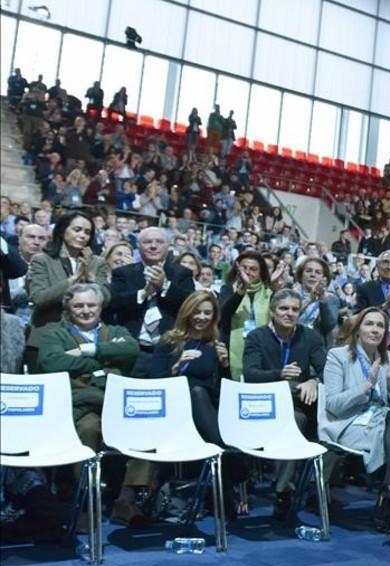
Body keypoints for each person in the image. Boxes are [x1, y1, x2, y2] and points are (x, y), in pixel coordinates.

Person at [37, 283, 148, 524]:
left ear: (100, 307)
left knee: (148, 428)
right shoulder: (54, 333)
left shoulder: (117, 330)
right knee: (89, 429)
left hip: (116, 405)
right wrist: (101, 365)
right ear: (68, 307)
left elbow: (131, 349)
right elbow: (51, 362)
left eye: (91, 305)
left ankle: (125, 500)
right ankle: (84, 501)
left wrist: (87, 351)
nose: (86, 310)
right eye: (78, 305)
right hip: (83, 408)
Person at [143, 290, 249, 512]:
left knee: (200, 393)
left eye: (207, 313)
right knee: (195, 391)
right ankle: (228, 459)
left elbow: (222, 390)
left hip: (208, 408)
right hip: (173, 407)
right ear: (187, 313)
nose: (202, 317)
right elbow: (154, 383)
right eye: (197, 312)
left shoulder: (215, 343)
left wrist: (224, 365)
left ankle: (224, 469)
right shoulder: (170, 341)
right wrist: (176, 367)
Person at [320, 307, 390, 538]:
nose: (375, 329)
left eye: (380, 325)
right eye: (369, 324)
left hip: (382, 421)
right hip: (348, 423)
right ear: (358, 328)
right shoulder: (338, 356)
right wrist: (366, 385)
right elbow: (333, 404)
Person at [242, 289, 327, 518]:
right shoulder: (256, 337)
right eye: (284, 308)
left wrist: (314, 380)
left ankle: (285, 489)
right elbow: (250, 374)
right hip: (263, 404)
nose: (289, 313)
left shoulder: (310, 337)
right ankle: (285, 489)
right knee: (293, 409)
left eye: (295, 309)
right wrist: (279, 375)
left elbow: (327, 371)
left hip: (298, 407)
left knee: (298, 417)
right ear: (272, 311)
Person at [25, 212, 109, 371]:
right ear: (63, 231)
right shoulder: (42, 260)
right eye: (77, 229)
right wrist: (73, 279)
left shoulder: (98, 263)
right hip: (46, 338)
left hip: (84, 341)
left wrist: (90, 276)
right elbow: (39, 298)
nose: (82, 235)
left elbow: (106, 298)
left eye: (87, 232)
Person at [107, 227, 195, 360]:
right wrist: (142, 294)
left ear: (168, 246)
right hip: (132, 350)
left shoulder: (182, 273)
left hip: (169, 351)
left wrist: (164, 286)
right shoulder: (124, 273)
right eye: (147, 242)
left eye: (159, 242)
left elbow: (190, 303)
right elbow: (113, 302)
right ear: (138, 246)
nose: (153, 246)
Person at [219, 251, 276, 380]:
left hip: (260, 348)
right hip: (231, 347)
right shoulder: (228, 289)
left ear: (261, 273)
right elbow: (224, 313)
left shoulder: (269, 292)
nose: (248, 272)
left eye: (253, 269)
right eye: (244, 268)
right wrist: (240, 291)